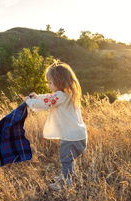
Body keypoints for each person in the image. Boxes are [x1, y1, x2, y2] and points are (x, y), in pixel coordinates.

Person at [24, 60, 87, 191]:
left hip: (71, 138)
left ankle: (65, 184)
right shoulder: (67, 94)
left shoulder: (60, 96)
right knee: (68, 159)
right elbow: (49, 98)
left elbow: (45, 103)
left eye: (51, 82)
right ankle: (66, 176)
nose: (49, 85)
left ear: (59, 82)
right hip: (79, 136)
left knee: (66, 160)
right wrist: (38, 96)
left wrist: (30, 101)